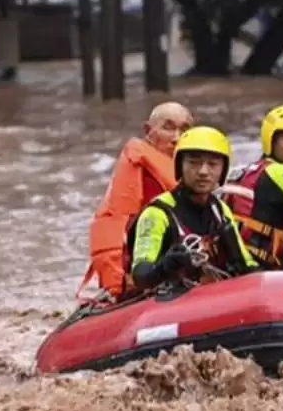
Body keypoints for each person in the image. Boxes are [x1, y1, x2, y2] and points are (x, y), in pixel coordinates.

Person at [76, 102, 195, 302]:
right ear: (148, 131)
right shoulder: (141, 172)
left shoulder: (199, 173)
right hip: (147, 270)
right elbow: (123, 225)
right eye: (168, 128)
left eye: (184, 129)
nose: (177, 138)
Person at [126, 126, 258, 293]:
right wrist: (166, 265)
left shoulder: (220, 210)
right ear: (180, 166)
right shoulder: (157, 213)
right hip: (167, 303)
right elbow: (140, 275)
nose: (203, 172)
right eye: (194, 163)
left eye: (212, 164)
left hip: (212, 298)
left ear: (222, 170)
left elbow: (246, 264)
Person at [220, 105, 283, 270]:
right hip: (260, 270)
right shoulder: (279, 172)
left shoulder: (246, 172)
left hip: (230, 265)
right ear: (271, 141)